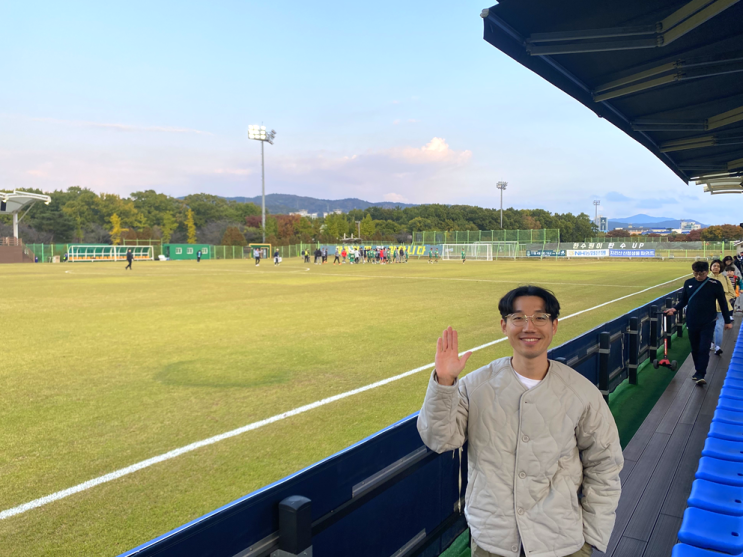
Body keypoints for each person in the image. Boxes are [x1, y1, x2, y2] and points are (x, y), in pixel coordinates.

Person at [418, 286, 622, 557]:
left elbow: (605, 463)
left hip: (562, 541)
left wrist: (591, 536)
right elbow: (440, 440)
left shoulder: (581, 392)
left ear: (554, 325)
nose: (529, 327)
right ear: (504, 326)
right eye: (518, 318)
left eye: (540, 317)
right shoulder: (475, 386)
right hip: (493, 541)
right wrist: (444, 382)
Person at [665, 260, 732, 384]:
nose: (698, 276)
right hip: (692, 321)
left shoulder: (715, 284)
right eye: (695, 273)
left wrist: (727, 321)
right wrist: (674, 309)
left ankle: (701, 374)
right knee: (695, 348)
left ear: (707, 272)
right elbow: (684, 300)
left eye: (701, 274)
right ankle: (698, 371)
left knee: (704, 348)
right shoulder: (688, 283)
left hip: (708, 322)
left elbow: (723, 303)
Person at [710, 259, 734, 354]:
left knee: (719, 326)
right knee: (710, 326)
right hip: (709, 307)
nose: (716, 267)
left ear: (721, 268)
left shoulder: (725, 278)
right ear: (711, 267)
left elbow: (732, 293)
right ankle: (712, 342)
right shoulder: (706, 278)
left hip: (722, 307)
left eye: (718, 266)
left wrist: (723, 299)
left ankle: (717, 346)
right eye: (714, 265)